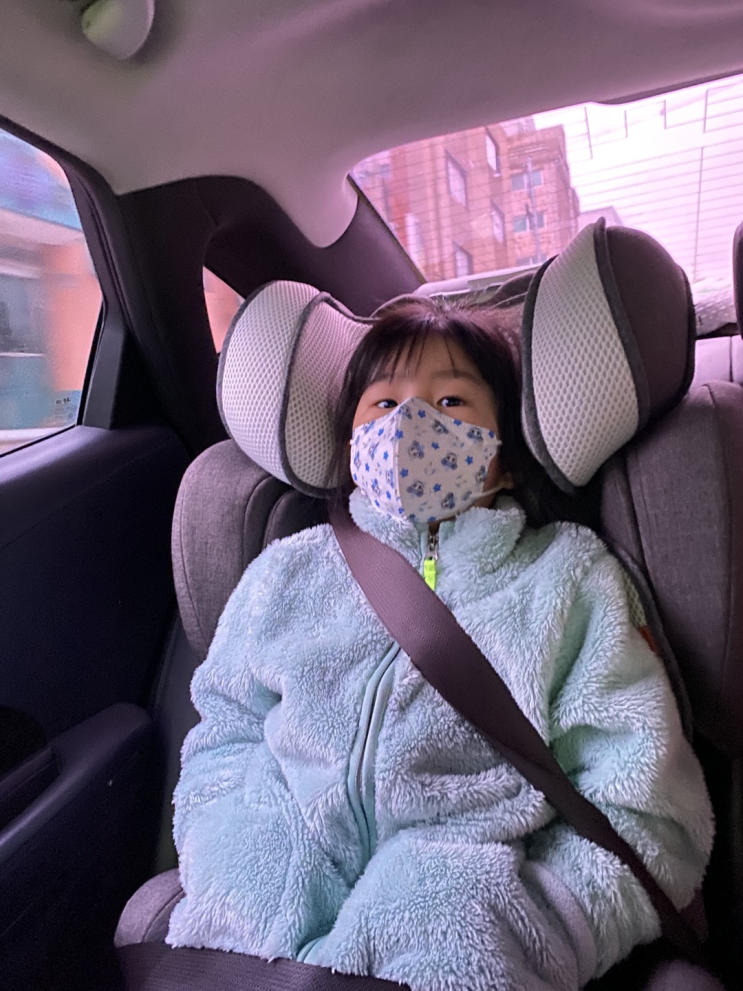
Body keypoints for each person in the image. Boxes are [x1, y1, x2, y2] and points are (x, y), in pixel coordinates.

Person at [166, 296, 714, 991]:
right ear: (350, 449)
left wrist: (526, 919)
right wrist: (230, 849)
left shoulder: (566, 578)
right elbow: (226, 726)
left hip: (459, 910)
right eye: (382, 403)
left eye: (450, 400)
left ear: (506, 459)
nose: (409, 423)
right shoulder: (287, 572)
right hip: (264, 893)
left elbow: (643, 804)